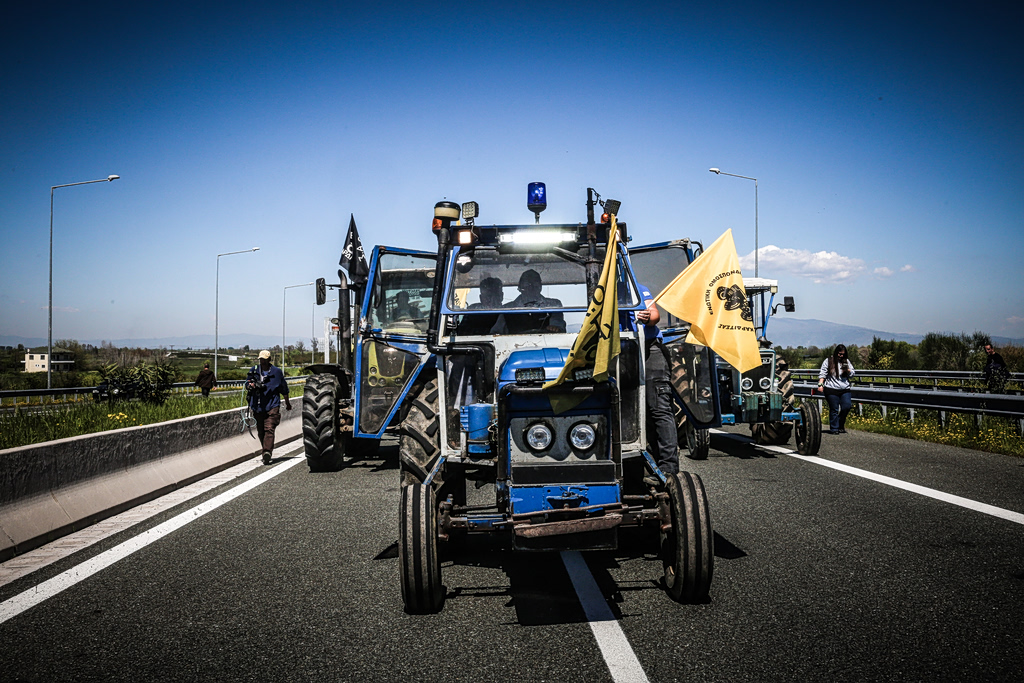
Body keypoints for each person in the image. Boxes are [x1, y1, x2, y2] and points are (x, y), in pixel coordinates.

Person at [623, 281, 678, 484]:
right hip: (621, 351)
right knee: (626, 410)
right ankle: (630, 468)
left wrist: (647, 317)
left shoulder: (636, 287)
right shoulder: (599, 291)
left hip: (648, 349)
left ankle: (668, 469)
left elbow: (654, 314)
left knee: (658, 407)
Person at [247, 350, 293, 464]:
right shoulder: (254, 371)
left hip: (272, 405)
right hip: (257, 406)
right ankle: (265, 449)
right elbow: (247, 383)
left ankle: (267, 452)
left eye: (264, 359)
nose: (262, 362)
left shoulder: (276, 372)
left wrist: (287, 403)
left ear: (269, 360)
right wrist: (250, 385)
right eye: (261, 359)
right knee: (261, 430)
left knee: (269, 428)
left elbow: (284, 389)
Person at [504, 269, 566, 333]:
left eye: (535, 283)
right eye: (527, 283)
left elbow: (558, 325)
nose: (531, 286)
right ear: (520, 286)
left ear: (540, 286)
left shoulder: (554, 304)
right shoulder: (506, 308)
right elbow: (499, 331)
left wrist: (555, 328)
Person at [818, 344, 855, 434]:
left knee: (846, 406)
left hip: (845, 388)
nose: (841, 356)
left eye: (843, 354)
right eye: (839, 354)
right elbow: (823, 373)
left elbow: (853, 373)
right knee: (834, 409)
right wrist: (820, 384)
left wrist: (848, 370)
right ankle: (834, 428)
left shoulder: (846, 361)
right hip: (831, 389)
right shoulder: (828, 361)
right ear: (836, 352)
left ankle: (840, 424)